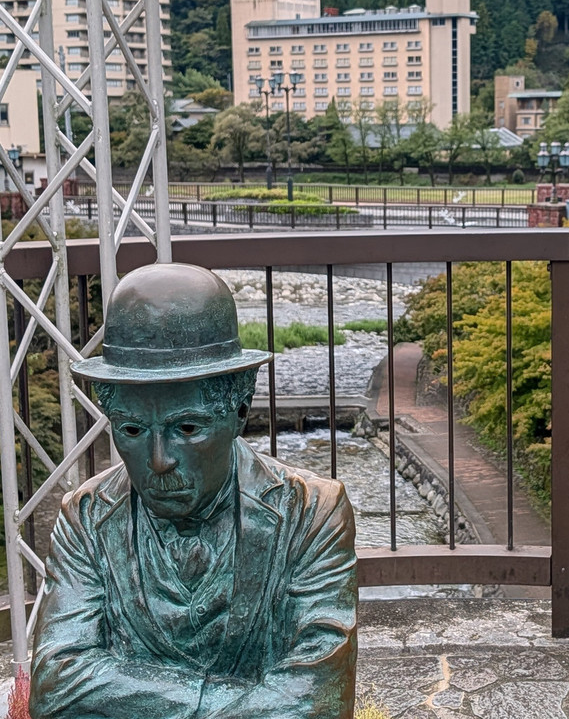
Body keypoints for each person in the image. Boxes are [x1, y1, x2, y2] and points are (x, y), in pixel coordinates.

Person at [30, 262, 357, 718]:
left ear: (240, 411)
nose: (159, 460)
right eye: (132, 429)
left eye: (187, 427)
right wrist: (227, 702)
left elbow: (316, 701)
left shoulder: (312, 513)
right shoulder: (85, 518)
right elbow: (57, 685)